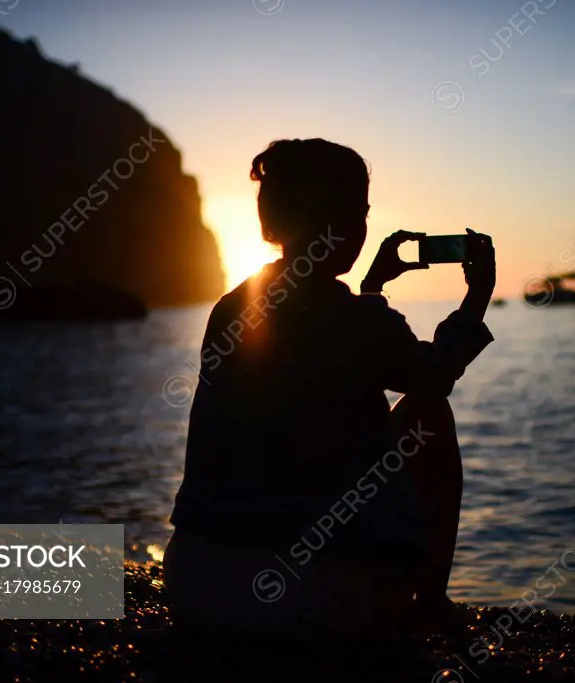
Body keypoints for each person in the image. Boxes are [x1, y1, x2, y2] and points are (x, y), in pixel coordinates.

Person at [164, 138, 495, 642]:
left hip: (197, 585)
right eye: (360, 213)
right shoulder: (360, 322)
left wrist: (371, 292)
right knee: (427, 415)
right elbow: (434, 375)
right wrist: (476, 300)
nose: (365, 227)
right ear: (342, 225)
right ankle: (428, 603)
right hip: (312, 601)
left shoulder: (231, 309)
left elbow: (324, 363)